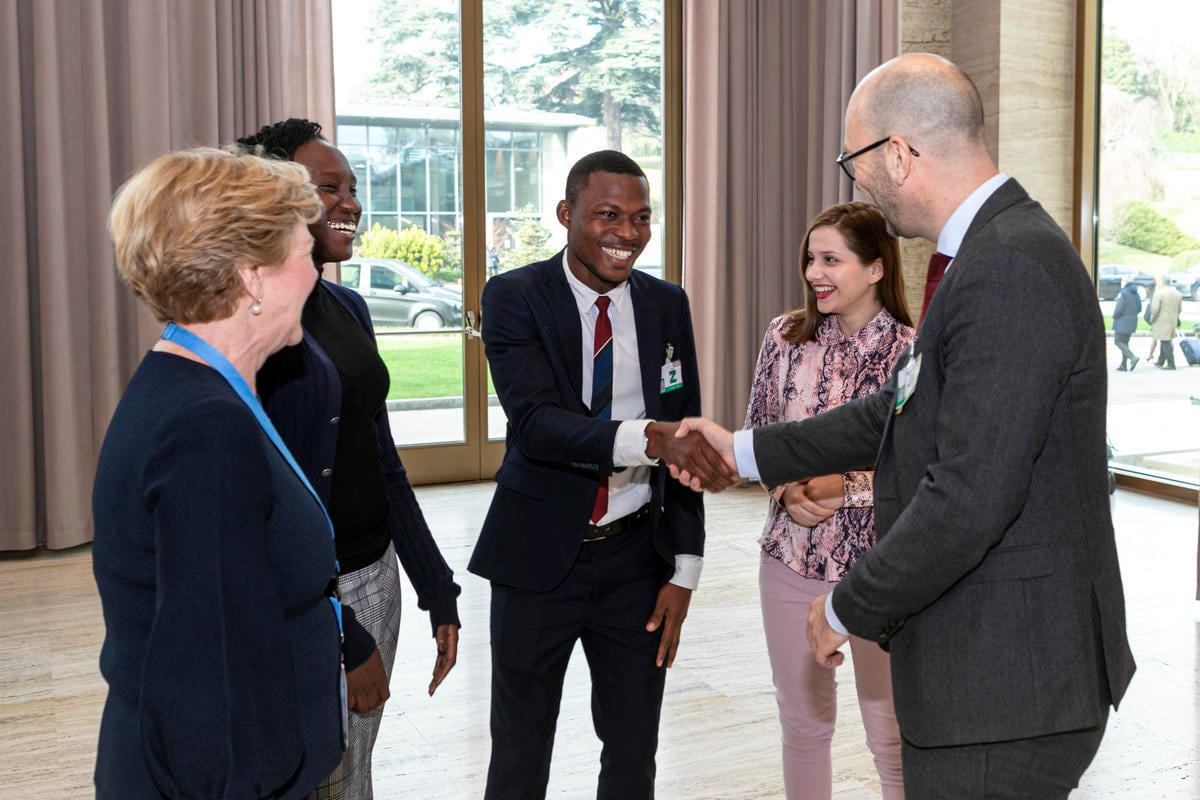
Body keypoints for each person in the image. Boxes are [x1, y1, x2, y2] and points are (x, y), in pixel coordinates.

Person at [671, 54, 1136, 798]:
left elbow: (968, 497)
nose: (854, 181)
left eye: (853, 160)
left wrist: (846, 603)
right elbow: (892, 408)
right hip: (991, 669)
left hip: (1008, 682)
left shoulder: (1009, 265)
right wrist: (746, 449)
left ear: (897, 154)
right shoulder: (985, 251)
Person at [470, 150, 735, 800]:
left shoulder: (666, 304)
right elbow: (537, 424)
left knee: (633, 750)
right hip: (537, 561)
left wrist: (684, 568)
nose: (628, 232)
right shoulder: (514, 297)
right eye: (608, 215)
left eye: (641, 217)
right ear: (567, 215)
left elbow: (686, 432)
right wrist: (650, 438)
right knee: (520, 751)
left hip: (637, 565)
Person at [93, 147, 344, 797]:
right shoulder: (207, 425)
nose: (315, 274)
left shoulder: (188, 385)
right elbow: (209, 669)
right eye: (302, 253)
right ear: (252, 277)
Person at [237, 118, 462, 800]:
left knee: (350, 773)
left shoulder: (350, 308)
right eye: (328, 186)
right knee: (297, 774)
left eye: (353, 188)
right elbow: (256, 511)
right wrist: (342, 632)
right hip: (298, 597)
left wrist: (437, 588)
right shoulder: (245, 323)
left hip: (375, 576)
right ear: (272, 195)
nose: (352, 203)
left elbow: (381, 458)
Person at [745, 201, 911, 799]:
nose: (815, 272)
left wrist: (844, 488)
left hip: (880, 568)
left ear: (874, 268)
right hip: (787, 559)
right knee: (803, 724)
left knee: (891, 736)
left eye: (832, 260)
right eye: (811, 258)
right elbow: (759, 431)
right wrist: (786, 487)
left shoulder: (912, 352)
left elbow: (921, 472)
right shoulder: (784, 337)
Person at [1149, 274, 1183, 369]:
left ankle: (1171, 364)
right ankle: (1161, 361)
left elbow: (1155, 309)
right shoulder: (1177, 293)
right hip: (1172, 320)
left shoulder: (1159, 293)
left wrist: (1152, 319)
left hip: (1161, 320)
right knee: (1166, 339)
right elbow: (1179, 309)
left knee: (1165, 342)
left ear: (1161, 282)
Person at [1111, 276, 1141, 371]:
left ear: (1124, 282)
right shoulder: (1136, 293)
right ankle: (1123, 365)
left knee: (1118, 341)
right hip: (1132, 322)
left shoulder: (1123, 293)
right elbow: (1139, 308)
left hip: (1122, 322)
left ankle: (1133, 357)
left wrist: (1114, 316)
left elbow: (1119, 308)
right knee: (1125, 343)